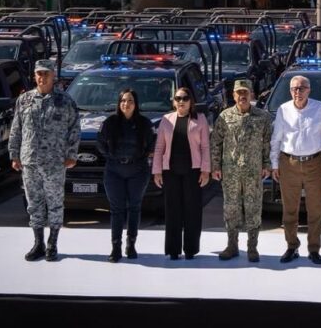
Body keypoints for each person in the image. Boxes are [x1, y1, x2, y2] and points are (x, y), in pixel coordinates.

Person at [9, 59, 79, 262]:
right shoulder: (24, 100)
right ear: (34, 76)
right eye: (39, 73)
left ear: (53, 76)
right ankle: (38, 243)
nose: (42, 77)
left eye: (46, 73)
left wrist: (72, 154)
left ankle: (52, 244)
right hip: (29, 160)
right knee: (34, 204)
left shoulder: (65, 101)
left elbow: (74, 128)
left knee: (55, 204)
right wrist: (14, 154)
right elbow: (16, 129)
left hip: (54, 162)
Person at [270, 75, 321, 264]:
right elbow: (276, 139)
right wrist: (274, 164)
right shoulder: (283, 110)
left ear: (309, 90)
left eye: (302, 88)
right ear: (290, 91)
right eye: (294, 88)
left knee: (314, 210)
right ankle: (291, 247)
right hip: (289, 164)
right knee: (290, 210)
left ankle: (314, 249)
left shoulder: (319, 108)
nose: (298, 92)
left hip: (314, 163)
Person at [211, 79, 273, 263]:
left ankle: (252, 247)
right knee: (231, 209)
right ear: (233, 95)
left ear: (252, 94)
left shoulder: (262, 117)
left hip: (253, 172)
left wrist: (267, 164)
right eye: (239, 92)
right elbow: (216, 143)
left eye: (245, 92)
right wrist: (215, 166)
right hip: (230, 172)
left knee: (253, 208)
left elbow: (267, 143)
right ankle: (232, 245)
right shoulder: (225, 116)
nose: (242, 96)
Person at [153, 87, 211, 260]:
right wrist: (157, 171)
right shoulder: (166, 120)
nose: (181, 101)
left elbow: (205, 147)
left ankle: (191, 249)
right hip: (170, 171)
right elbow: (159, 147)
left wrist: (206, 170)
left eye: (185, 98)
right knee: (173, 210)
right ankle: (173, 249)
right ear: (173, 101)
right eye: (178, 98)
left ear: (190, 101)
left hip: (193, 171)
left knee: (192, 210)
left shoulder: (199, 119)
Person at [98, 88, 155, 263]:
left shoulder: (145, 123)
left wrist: (141, 157)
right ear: (119, 103)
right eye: (123, 100)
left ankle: (131, 244)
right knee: (116, 210)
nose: (126, 104)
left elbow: (152, 145)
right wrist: (111, 157)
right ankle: (116, 247)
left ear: (136, 104)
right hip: (114, 171)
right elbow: (99, 144)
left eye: (130, 101)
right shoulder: (110, 122)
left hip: (137, 171)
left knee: (134, 208)